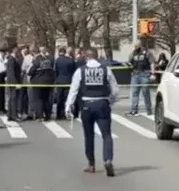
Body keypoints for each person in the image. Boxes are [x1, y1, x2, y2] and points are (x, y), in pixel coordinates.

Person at [65, 48, 119, 177]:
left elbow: (73, 90)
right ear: (97, 57)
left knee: (89, 136)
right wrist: (110, 101)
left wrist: (68, 106)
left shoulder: (80, 71)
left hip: (87, 105)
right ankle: (108, 160)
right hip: (102, 103)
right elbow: (115, 90)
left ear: (86, 57)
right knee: (107, 135)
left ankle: (91, 164)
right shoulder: (106, 70)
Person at [127, 41, 155, 116]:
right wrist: (129, 64)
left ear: (140, 45)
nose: (135, 47)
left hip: (144, 74)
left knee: (145, 93)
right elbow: (129, 62)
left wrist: (153, 74)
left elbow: (152, 63)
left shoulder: (147, 53)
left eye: (136, 46)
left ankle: (149, 110)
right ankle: (134, 110)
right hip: (135, 74)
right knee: (135, 93)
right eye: (134, 46)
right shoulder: (133, 53)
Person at [28, 46, 56, 121]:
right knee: (46, 99)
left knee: (38, 99)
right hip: (48, 82)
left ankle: (39, 116)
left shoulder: (37, 59)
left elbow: (30, 71)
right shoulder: (50, 59)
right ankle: (47, 115)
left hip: (38, 82)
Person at [54, 47, 76, 120]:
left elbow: (55, 71)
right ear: (65, 52)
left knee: (59, 98)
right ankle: (67, 113)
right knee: (67, 98)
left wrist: (56, 79)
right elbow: (74, 71)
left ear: (59, 52)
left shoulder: (57, 60)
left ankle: (59, 114)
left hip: (60, 81)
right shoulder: (70, 60)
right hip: (68, 81)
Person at [6, 46, 23, 121]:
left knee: (12, 99)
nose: (19, 53)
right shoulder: (12, 60)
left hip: (14, 81)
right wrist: (15, 83)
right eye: (18, 52)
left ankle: (10, 115)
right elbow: (11, 73)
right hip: (13, 82)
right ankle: (13, 115)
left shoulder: (13, 59)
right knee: (13, 99)